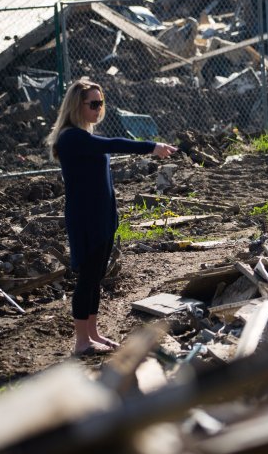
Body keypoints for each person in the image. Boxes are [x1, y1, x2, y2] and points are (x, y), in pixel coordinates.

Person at [46, 78, 177, 356]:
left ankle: (92, 333)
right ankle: (81, 341)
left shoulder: (85, 137)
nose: (98, 109)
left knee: (96, 276)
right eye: (93, 104)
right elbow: (116, 144)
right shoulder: (71, 137)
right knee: (87, 278)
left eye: (100, 103)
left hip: (102, 217)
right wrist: (151, 146)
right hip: (86, 219)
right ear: (76, 106)